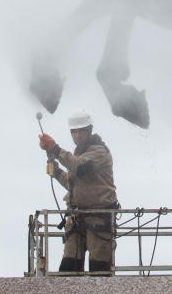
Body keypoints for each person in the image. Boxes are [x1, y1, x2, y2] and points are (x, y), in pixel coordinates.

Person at [38, 110, 119, 274]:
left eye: (81, 131)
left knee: (99, 271)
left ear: (89, 131)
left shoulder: (99, 152)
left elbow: (80, 167)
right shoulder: (79, 154)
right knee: (68, 268)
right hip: (77, 218)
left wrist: (55, 149)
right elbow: (74, 184)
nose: (78, 135)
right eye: (74, 131)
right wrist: (57, 172)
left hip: (98, 218)